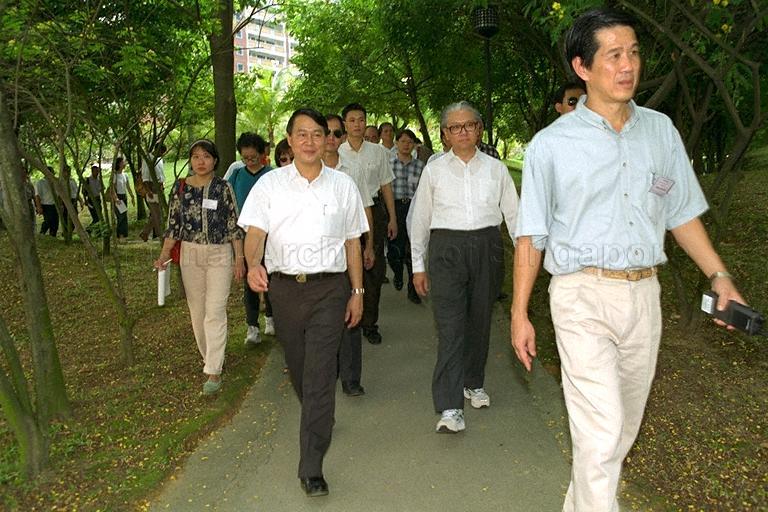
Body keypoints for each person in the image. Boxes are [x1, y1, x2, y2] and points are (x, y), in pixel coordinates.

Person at [510, 9, 747, 512]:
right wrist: (519, 313)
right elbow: (531, 236)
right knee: (600, 433)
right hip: (581, 296)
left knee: (619, 432)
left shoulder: (660, 132)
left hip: (644, 295)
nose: (628, 65)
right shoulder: (550, 146)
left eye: (634, 52)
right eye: (614, 55)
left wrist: (719, 275)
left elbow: (680, 213)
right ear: (582, 67)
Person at [239, 108, 368, 497]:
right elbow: (255, 234)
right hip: (285, 291)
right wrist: (252, 265)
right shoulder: (270, 185)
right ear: (290, 140)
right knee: (300, 370)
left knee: (318, 375)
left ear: (330, 138)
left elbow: (352, 242)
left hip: (331, 289)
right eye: (303, 134)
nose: (311, 141)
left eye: (319, 134)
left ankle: (311, 465)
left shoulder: (343, 186)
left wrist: (357, 293)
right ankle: (318, 413)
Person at [409, 101, 518, 434]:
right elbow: (421, 219)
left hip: (487, 247)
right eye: (455, 127)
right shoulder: (435, 170)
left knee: (479, 321)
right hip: (446, 250)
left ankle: (473, 382)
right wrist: (417, 265)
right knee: (451, 327)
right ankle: (450, 405)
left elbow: (514, 216)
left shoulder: (495, 169)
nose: (462, 132)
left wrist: (528, 258)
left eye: (469, 125)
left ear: (479, 129)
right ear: (445, 134)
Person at [153, 139, 244, 395]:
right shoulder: (181, 188)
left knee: (215, 311)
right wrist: (163, 255)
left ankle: (213, 370)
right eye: (195, 157)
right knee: (197, 312)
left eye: (206, 156)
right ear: (190, 161)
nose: (200, 161)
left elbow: (233, 225)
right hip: (190, 254)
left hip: (219, 254)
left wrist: (239, 259)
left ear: (215, 160)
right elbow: (173, 226)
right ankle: (211, 357)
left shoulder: (223, 187)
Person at [325, 113, 375, 397]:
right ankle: (327, 370)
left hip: (348, 253)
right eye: (326, 133)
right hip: (318, 259)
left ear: (342, 137)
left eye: (336, 133)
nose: (331, 139)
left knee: (352, 313)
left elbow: (365, 208)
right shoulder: (306, 171)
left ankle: (351, 378)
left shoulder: (350, 172)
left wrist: (369, 245)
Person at [339, 103, 397, 345]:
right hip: (345, 214)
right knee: (347, 267)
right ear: (345, 124)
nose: (357, 124)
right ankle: (347, 318)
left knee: (373, 268)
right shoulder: (337, 152)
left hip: (374, 210)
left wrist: (393, 217)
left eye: (361, 120)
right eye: (352, 120)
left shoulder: (377, 152)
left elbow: (385, 185)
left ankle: (370, 323)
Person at [224, 132, 275, 345]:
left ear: (262, 154)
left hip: (271, 235)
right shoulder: (236, 176)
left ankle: (271, 318)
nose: (249, 161)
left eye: (253, 157)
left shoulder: (272, 175)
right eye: (245, 158)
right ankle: (252, 326)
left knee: (271, 277)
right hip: (245, 236)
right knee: (250, 280)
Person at [388, 128, 424, 304]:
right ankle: (397, 273)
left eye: (410, 142)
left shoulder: (419, 166)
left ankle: (413, 289)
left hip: (413, 207)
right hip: (394, 208)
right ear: (396, 143)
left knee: (412, 249)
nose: (406, 145)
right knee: (395, 249)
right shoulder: (389, 164)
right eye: (403, 141)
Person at [140, 143, 167, 241]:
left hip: (159, 187)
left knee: (157, 212)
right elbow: (145, 176)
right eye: (161, 152)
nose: (162, 154)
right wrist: (148, 190)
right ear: (157, 150)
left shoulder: (159, 160)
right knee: (156, 213)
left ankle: (145, 233)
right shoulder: (148, 159)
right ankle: (160, 235)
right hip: (151, 188)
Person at [110, 157, 135, 238]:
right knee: (121, 216)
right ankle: (120, 235)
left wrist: (132, 196)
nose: (125, 163)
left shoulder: (125, 175)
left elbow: (128, 187)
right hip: (118, 197)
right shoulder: (115, 175)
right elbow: (112, 188)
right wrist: (116, 198)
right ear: (119, 164)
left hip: (124, 197)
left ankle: (124, 235)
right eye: (123, 162)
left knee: (124, 216)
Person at [35, 167, 59, 237]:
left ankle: (53, 236)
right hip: (46, 205)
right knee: (48, 221)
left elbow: (59, 195)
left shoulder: (55, 182)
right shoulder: (40, 182)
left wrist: (60, 204)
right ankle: (42, 233)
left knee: (55, 222)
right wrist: (39, 207)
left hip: (55, 205)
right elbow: (37, 196)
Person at [60, 164, 83, 233]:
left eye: (69, 171)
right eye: (66, 171)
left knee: (74, 216)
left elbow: (76, 192)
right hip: (65, 201)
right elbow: (59, 194)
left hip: (73, 200)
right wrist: (61, 204)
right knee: (66, 217)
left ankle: (70, 230)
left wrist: (81, 201)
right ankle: (66, 232)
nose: (68, 173)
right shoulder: (60, 182)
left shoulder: (72, 180)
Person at [85, 165, 104, 230]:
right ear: (92, 171)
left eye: (98, 171)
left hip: (98, 199)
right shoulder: (88, 180)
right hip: (91, 200)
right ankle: (89, 229)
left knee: (99, 216)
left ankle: (97, 231)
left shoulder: (99, 179)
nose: (97, 173)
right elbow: (84, 191)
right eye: (96, 171)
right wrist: (86, 200)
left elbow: (102, 188)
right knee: (95, 217)